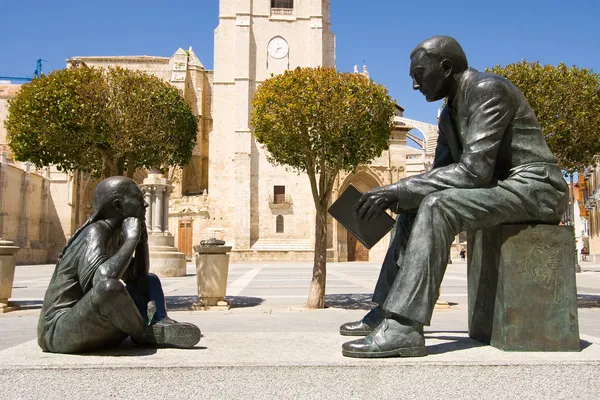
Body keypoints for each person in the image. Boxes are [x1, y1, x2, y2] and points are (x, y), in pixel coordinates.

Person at [339, 36, 568, 358]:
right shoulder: (448, 115)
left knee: (437, 205)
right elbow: (440, 175)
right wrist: (398, 196)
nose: (414, 84)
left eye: (419, 73)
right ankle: (384, 312)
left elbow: (474, 171)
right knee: (415, 206)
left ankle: (405, 326)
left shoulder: (488, 90)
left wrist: (397, 187)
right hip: (502, 190)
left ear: (446, 68)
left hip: (536, 188)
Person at [37, 176, 201, 353]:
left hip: (89, 325)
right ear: (118, 206)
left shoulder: (116, 235)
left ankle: (159, 322)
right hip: (58, 332)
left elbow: (138, 276)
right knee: (110, 288)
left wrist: (141, 240)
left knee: (149, 280)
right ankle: (147, 333)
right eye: (138, 198)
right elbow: (101, 282)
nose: (145, 205)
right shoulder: (95, 231)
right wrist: (130, 240)